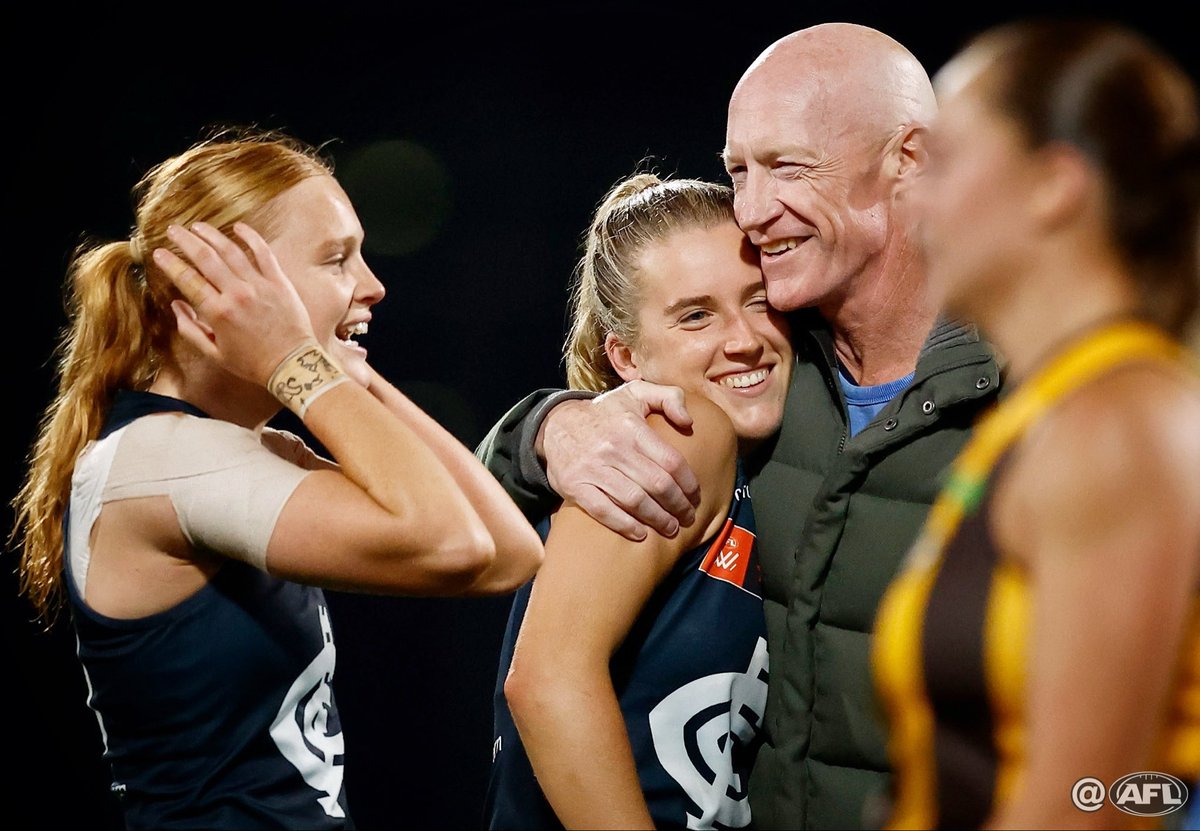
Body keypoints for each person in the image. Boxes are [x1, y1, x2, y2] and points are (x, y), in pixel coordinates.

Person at [475, 22, 1001, 829]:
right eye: (738, 170)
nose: (753, 210)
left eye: (787, 165)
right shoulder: (728, 403)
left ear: (911, 159)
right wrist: (549, 426)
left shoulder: (1037, 396)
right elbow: (541, 664)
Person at [8, 127, 544, 831]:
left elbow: (508, 550)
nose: (373, 285)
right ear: (227, 289)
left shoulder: (241, 448)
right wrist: (297, 355)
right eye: (336, 259)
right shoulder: (154, 459)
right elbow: (453, 544)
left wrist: (347, 370)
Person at [871, 18, 1200, 830]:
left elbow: (1088, 808)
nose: (915, 201)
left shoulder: (1121, 426)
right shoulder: (1045, 409)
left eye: (942, 162)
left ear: (1056, 184)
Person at [485, 172, 792, 829]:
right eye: (695, 315)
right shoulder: (679, 433)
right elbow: (545, 681)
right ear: (626, 357)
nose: (743, 337)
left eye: (760, 300)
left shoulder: (758, 461)